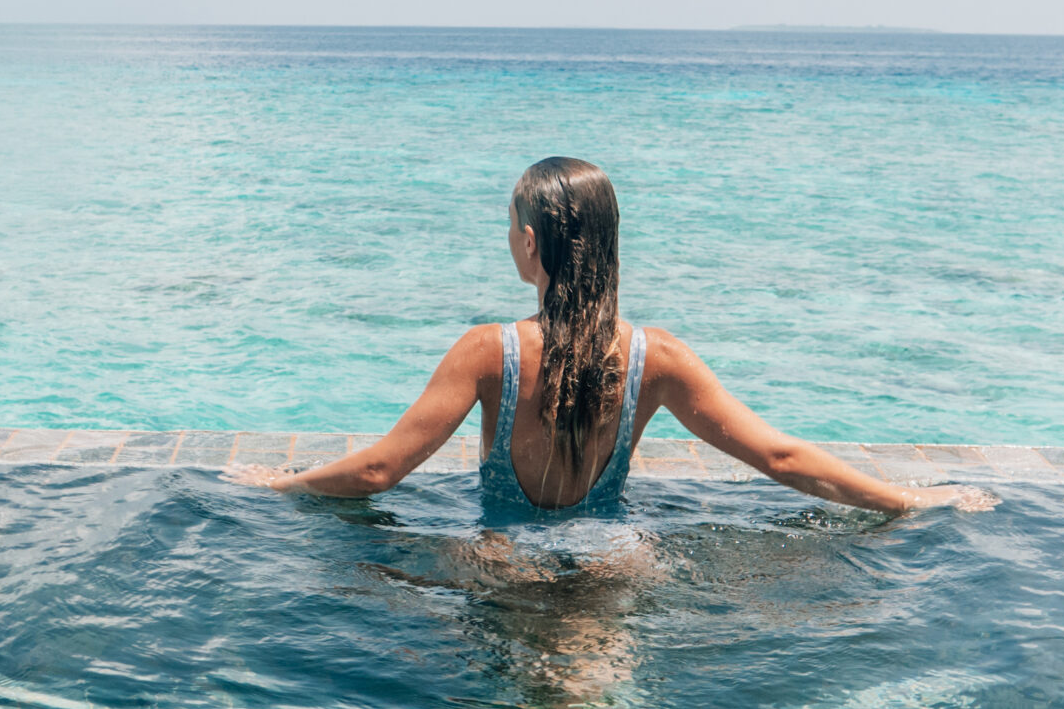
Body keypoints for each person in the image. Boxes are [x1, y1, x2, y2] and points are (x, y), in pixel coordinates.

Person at [227, 156, 996, 518]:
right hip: (611, 570)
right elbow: (781, 457)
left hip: (500, 573)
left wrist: (279, 485)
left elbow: (379, 472)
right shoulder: (655, 359)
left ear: (529, 242)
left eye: (508, 227)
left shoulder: (485, 352)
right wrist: (909, 501)